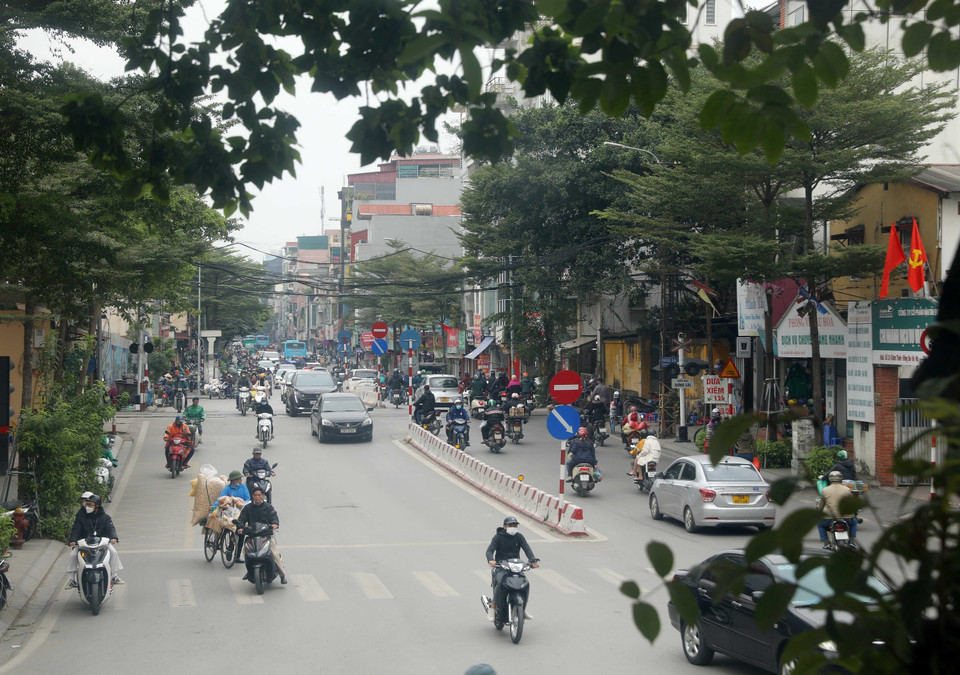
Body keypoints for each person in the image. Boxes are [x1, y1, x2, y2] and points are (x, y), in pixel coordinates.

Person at [482, 516, 538, 622]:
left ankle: (523, 609)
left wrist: (532, 561)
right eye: (510, 525)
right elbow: (489, 550)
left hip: (515, 566)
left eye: (515, 526)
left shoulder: (519, 537)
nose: (513, 528)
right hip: (500, 567)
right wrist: (491, 560)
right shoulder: (498, 537)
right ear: (505, 526)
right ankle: (493, 609)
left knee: (525, 583)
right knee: (500, 584)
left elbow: (527, 548)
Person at [65, 492, 124, 588]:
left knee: (113, 552)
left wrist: (113, 538)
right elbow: (76, 529)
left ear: (97, 506)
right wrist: (73, 540)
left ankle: (114, 576)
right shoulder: (81, 517)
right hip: (84, 544)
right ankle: (72, 580)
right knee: (72, 555)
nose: (87, 506)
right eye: (87, 504)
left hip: (102, 543)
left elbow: (110, 528)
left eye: (90, 505)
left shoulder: (105, 517)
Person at [235, 486, 287, 584]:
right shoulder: (248, 508)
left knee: (274, 553)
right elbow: (241, 519)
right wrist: (240, 527)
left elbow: (274, 517)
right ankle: (249, 571)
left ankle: (282, 575)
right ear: (252, 496)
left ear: (263, 496)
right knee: (246, 552)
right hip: (252, 536)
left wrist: (274, 524)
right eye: (255, 495)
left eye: (259, 495)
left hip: (266, 536)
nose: (257, 497)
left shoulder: (268, 507)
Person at [817, 471, 858, 549]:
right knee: (854, 523)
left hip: (829, 518)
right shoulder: (847, 490)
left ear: (830, 479)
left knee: (820, 525)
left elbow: (821, 504)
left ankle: (826, 543)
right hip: (847, 517)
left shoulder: (825, 490)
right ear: (841, 479)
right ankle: (852, 541)